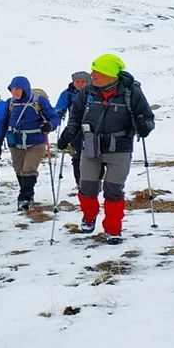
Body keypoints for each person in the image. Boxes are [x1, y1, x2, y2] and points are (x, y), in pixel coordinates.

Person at [57, 54, 155, 245]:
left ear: (110, 74)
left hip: (119, 147)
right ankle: (89, 217)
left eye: (97, 71)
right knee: (87, 187)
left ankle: (113, 229)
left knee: (113, 190)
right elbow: (75, 115)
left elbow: (148, 117)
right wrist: (67, 135)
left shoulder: (131, 92)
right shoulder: (88, 92)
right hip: (91, 145)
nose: (92, 75)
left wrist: (145, 126)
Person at [0, 77, 60, 211]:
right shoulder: (10, 103)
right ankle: (27, 195)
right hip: (15, 141)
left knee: (29, 169)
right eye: (13, 89)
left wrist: (50, 126)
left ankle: (25, 198)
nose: (15, 92)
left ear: (25, 89)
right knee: (19, 169)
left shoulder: (38, 100)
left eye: (18, 89)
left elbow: (54, 117)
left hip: (36, 141)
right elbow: (3, 122)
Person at [54, 71, 92, 186]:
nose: (79, 84)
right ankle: (80, 182)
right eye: (77, 81)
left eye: (82, 82)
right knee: (77, 155)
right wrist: (58, 114)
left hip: (92, 128)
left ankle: (90, 181)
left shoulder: (94, 92)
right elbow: (59, 107)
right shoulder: (68, 94)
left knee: (90, 155)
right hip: (75, 127)